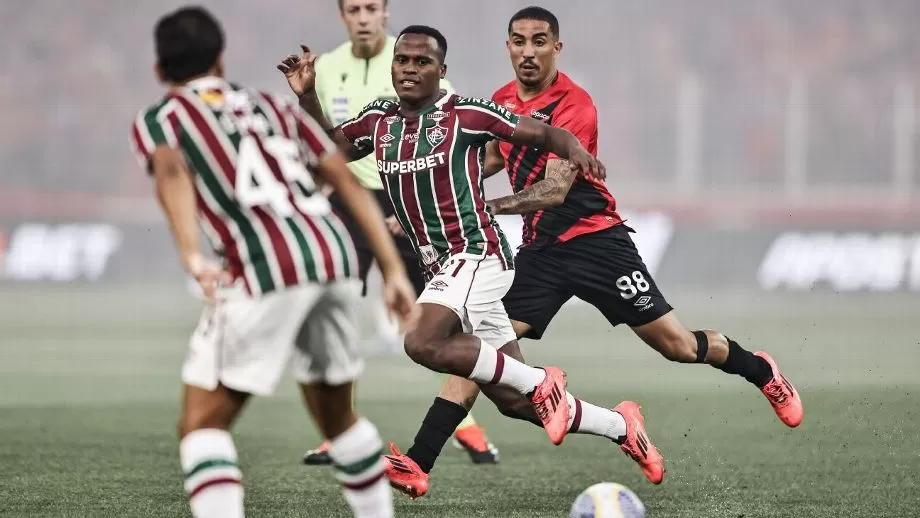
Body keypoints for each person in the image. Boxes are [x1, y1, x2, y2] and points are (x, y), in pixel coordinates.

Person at [381, 5, 804, 499]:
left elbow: (554, 189)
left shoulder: (575, 104)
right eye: (518, 41)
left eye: (540, 41)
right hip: (541, 253)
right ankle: (419, 459)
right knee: (480, 352)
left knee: (678, 347)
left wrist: (483, 207)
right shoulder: (499, 101)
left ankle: (761, 370)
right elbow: (486, 159)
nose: (528, 51)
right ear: (508, 47)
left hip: (598, 241)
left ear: (556, 48)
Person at [279, 23, 665, 497]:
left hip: (477, 253)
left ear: (442, 71)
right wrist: (308, 98)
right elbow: (330, 150)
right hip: (441, 265)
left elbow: (546, 134)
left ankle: (538, 382)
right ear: (392, 67)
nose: (410, 70)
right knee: (512, 401)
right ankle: (622, 427)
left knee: (420, 341)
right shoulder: (379, 121)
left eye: (423, 62)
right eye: (403, 60)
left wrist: (575, 148)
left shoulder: (465, 115)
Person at [131, 7, 419, 517]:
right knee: (338, 419)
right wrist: (393, 272)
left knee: (201, 425)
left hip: (268, 266)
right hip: (332, 255)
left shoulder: (163, 117)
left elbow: (171, 170)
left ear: (158, 71)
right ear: (221, 60)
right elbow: (343, 177)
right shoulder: (270, 104)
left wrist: (192, 256)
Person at [302, 0, 500, 466]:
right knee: (337, 314)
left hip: (409, 205)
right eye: (355, 9)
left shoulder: (414, 53)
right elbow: (326, 139)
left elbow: (447, 134)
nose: (364, 16)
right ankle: (339, 429)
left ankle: (466, 426)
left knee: (433, 323)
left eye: (372, 7)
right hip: (350, 203)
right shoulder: (327, 67)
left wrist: (418, 206)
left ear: (384, 12)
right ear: (343, 16)